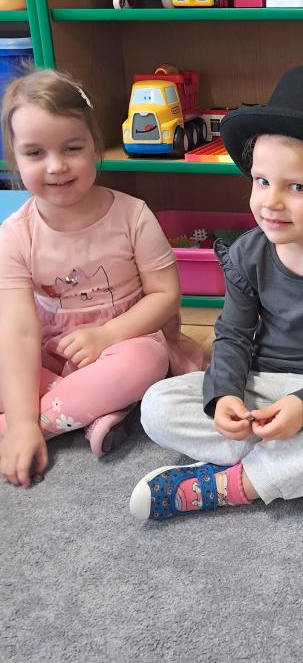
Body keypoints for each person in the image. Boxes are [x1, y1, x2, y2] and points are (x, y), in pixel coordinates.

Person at [130, 64, 303, 523]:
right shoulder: (248, 254)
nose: (271, 202)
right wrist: (225, 397)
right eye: (261, 181)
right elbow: (233, 335)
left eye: (296, 187)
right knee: (157, 406)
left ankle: (234, 484)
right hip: (260, 387)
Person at [0, 68, 204, 487]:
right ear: (14, 159)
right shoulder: (16, 234)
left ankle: (39, 424)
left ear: (95, 145)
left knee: (144, 363)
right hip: (50, 350)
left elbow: (166, 295)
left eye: (72, 147)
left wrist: (106, 335)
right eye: (35, 153)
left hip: (127, 339)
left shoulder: (132, 215)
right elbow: (18, 331)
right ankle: (95, 410)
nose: (56, 166)